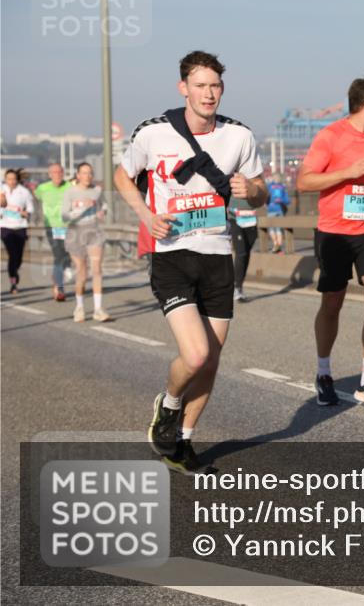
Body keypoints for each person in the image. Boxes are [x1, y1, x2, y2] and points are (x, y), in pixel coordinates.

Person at [114, 50, 268, 475]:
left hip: (218, 255)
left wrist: (249, 189)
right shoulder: (153, 133)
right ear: (183, 88)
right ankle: (168, 404)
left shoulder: (239, 136)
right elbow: (122, 176)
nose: (209, 93)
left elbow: (262, 192)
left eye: (215, 85)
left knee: (212, 361)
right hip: (173, 254)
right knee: (196, 354)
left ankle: (181, 441)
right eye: (200, 85)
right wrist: (146, 216)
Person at [297, 74, 364, 410]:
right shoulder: (331, 136)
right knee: (332, 303)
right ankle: (324, 372)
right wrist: (346, 173)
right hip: (335, 232)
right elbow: (304, 181)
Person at [62, 163, 110, 321]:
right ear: (78, 174)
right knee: (81, 272)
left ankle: (98, 309)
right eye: (84, 173)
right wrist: (83, 208)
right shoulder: (70, 192)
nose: (88, 176)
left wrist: (102, 211)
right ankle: (79, 307)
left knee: (96, 270)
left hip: (94, 232)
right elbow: (65, 216)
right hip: (76, 232)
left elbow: (104, 205)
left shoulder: (97, 191)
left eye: (90, 173)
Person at [35, 163, 73, 301]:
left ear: (63, 173)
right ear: (49, 174)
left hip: (68, 227)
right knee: (58, 254)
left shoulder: (70, 187)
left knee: (67, 254)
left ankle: (60, 274)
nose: (57, 175)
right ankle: (59, 288)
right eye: (54, 172)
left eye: (60, 172)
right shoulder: (42, 188)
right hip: (51, 227)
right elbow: (35, 199)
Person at [1, 168, 34, 295]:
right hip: (5, 226)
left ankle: (14, 271)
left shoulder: (24, 192)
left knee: (19, 257)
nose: (11, 181)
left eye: (14, 179)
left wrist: (26, 213)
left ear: (17, 179)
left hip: (20, 226)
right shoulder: (1, 190)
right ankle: (13, 282)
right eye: (9, 179)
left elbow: (31, 208)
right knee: (12, 254)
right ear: (5, 179)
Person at [228, 197, 257, 302]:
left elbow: (262, 197)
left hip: (251, 220)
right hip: (235, 219)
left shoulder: (255, 180)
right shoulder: (229, 181)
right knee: (241, 253)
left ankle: (239, 285)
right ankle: (236, 288)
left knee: (246, 253)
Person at [266, 174, 290, 253]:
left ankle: (275, 244)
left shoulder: (270, 186)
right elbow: (287, 201)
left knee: (271, 228)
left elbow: (266, 197)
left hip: (271, 210)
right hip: (279, 209)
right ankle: (279, 247)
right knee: (279, 229)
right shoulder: (282, 187)